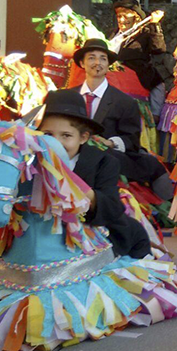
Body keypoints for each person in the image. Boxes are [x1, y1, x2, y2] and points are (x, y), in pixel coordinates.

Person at [39, 90, 151, 258]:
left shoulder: (104, 162)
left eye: (66, 135)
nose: (56, 143)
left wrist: (78, 189)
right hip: (42, 234)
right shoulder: (30, 163)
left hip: (94, 235)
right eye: (48, 135)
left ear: (83, 138)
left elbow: (112, 207)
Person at [71, 38, 174, 200]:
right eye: (91, 57)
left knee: (150, 164)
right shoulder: (69, 97)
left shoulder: (124, 102)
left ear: (108, 65)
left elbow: (131, 139)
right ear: (82, 63)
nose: (97, 63)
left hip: (109, 158)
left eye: (103, 59)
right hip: (72, 159)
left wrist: (110, 143)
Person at [109, 0, 174, 119]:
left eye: (125, 16)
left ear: (136, 17)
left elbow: (158, 49)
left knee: (158, 86)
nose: (121, 20)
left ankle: (154, 118)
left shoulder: (145, 33)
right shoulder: (113, 35)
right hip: (113, 76)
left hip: (140, 75)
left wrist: (155, 24)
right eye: (119, 16)